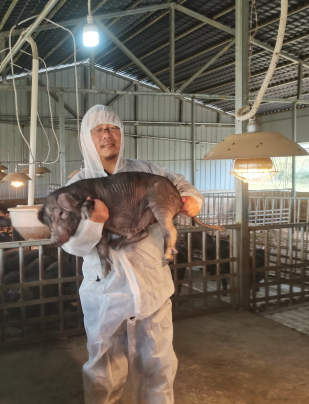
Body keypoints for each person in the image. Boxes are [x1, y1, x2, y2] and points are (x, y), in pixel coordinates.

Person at [62, 104, 203, 404]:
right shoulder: (77, 186)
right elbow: (72, 245)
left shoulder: (148, 172)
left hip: (153, 286)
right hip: (105, 292)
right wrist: (94, 222)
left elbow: (181, 185)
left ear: (121, 134)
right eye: (98, 130)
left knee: (158, 366)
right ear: (87, 138)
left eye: (113, 128)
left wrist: (192, 199)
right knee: (104, 372)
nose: (107, 135)